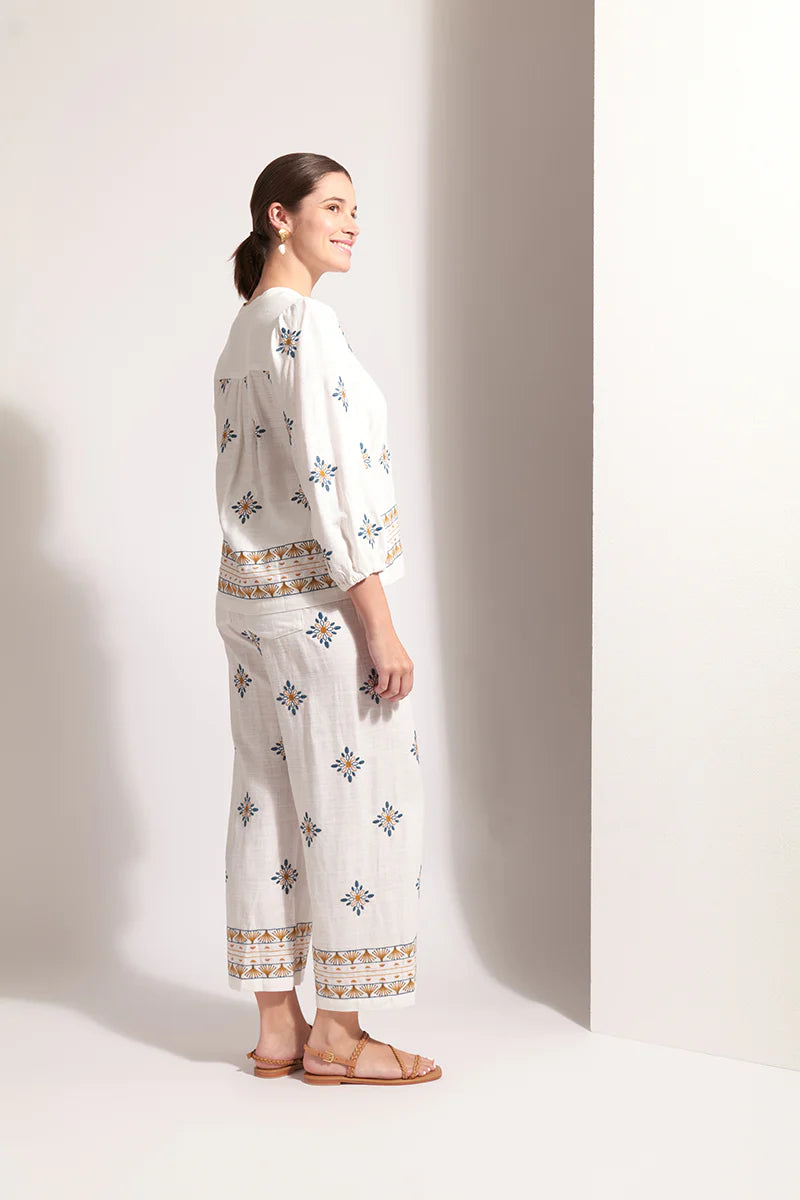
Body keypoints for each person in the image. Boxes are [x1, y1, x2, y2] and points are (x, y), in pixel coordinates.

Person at [213, 152, 441, 1086]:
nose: (351, 223)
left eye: (357, 209)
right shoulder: (304, 322)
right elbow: (332, 485)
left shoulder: (242, 332)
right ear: (281, 216)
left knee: (266, 796)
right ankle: (340, 1034)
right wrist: (377, 623)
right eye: (334, 207)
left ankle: (280, 1028)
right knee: (359, 807)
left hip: (247, 604)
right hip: (316, 608)